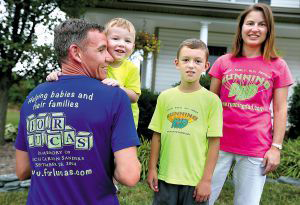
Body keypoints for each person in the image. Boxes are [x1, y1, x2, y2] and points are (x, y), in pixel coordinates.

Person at [15, 19, 141, 205]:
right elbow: (129, 176)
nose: (109, 57)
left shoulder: (32, 98)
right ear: (76, 53)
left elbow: (22, 170)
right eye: (101, 50)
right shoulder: (114, 97)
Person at [208, 3, 293, 205]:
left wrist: (276, 148)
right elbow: (211, 103)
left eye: (261, 24)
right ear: (241, 28)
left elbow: (280, 110)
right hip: (218, 142)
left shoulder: (278, 65)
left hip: (256, 145)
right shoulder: (223, 62)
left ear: (268, 31)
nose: (255, 28)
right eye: (250, 23)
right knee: (203, 198)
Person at [147, 39, 223, 205]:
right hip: (166, 178)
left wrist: (206, 180)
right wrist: (152, 168)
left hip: (195, 182)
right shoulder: (165, 97)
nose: (191, 65)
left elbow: (214, 144)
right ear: (177, 63)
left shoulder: (212, 101)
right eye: (186, 60)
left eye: (197, 61)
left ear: (206, 66)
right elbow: (157, 136)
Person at [47, 17, 141, 128]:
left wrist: (119, 87)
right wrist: (59, 75)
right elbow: (78, 74)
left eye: (127, 41)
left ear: (133, 46)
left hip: (124, 122)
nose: (122, 44)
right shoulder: (96, 64)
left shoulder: (131, 68)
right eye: (115, 39)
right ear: (105, 41)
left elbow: (135, 97)